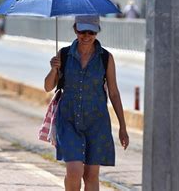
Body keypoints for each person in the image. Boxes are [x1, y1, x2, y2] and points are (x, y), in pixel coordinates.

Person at [44, 15, 129, 190]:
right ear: (76, 29)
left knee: (91, 174)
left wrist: (123, 126)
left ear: (97, 32)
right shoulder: (65, 54)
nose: (86, 36)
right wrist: (54, 69)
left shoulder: (106, 58)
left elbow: (113, 92)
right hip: (68, 120)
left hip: (96, 122)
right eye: (82, 31)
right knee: (74, 171)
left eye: (92, 32)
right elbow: (47, 87)